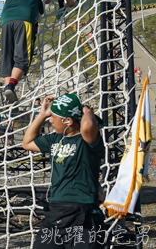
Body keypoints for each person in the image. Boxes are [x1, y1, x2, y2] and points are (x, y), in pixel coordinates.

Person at [22, 94, 105, 249]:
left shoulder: (87, 139)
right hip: (56, 213)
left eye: (53, 117)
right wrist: (42, 114)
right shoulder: (55, 139)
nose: (50, 120)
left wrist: (83, 108)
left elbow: (86, 124)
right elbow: (27, 143)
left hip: (83, 214)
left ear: (68, 121)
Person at [0, 0, 74, 103]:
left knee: (7, 59)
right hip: (23, 19)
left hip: (5, 22)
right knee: (22, 59)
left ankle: (8, 96)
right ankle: (11, 86)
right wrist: (70, 1)